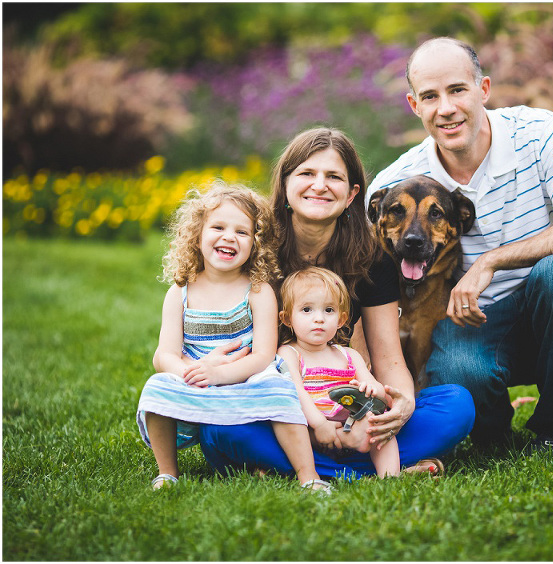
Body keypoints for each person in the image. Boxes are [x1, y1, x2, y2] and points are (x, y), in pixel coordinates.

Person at [366, 37, 553, 452]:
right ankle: (493, 431)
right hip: (474, 325)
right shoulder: (398, 183)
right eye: (430, 96)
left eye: (457, 90)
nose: (445, 108)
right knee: (456, 368)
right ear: (414, 106)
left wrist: (491, 261)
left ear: (483, 89)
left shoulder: (540, 134)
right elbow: (353, 259)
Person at [197, 128, 475, 479]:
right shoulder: (254, 246)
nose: (319, 185)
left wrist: (402, 403)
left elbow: (388, 357)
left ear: (351, 194)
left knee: (457, 405)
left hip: (347, 414)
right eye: (307, 174)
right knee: (217, 429)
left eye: (333, 177)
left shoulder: (373, 259)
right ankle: (372, 469)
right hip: (276, 408)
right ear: (284, 184)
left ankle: (301, 466)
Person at [136, 181, 331, 493]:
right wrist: (193, 373)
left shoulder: (257, 290)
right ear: (196, 235)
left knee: (278, 388)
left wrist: (220, 373)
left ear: (256, 244)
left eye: (242, 232)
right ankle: (167, 473)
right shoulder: (180, 291)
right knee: (157, 386)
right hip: (197, 378)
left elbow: (264, 355)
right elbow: (164, 355)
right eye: (218, 227)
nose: (229, 237)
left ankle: (309, 476)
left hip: (246, 379)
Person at [278, 266, 400, 478]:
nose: (319, 319)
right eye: (307, 310)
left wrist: (372, 388)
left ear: (342, 320)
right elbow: (296, 392)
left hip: (350, 422)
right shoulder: (289, 353)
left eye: (329, 310)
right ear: (287, 318)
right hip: (312, 428)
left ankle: (390, 476)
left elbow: (378, 390)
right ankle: (345, 450)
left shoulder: (349, 356)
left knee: (381, 427)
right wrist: (319, 424)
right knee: (286, 426)